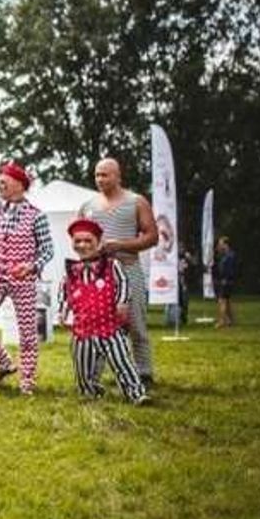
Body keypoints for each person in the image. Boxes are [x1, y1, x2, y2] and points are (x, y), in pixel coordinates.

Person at [0, 162, 54, 394]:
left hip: (23, 280)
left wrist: (31, 266)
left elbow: (47, 251)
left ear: (20, 185)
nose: (0, 183)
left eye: (5, 179)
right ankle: (5, 362)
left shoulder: (36, 216)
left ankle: (27, 382)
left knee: (27, 333)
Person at [79, 157, 159, 387]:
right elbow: (79, 238)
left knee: (136, 323)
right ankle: (95, 375)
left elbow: (152, 236)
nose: (100, 179)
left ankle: (144, 372)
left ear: (118, 176)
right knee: (100, 324)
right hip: (99, 274)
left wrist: (121, 244)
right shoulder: (88, 206)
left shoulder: (136, 201)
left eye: (105, 174)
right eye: (97, 175)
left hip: (129, 267)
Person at [58, 218, 149, 405]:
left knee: (122, 362)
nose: (83, 245)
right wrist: (62, 311)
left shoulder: (111, 265)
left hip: (110, 328)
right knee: (83, 368)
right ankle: (90, 391)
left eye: (88, 240)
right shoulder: (72, 270)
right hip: (82, 331)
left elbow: (123, 283)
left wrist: (122, 303)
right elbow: (64, 292)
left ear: (99, 243)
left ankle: (136, 393)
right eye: (78, 241)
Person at [212, 235, 237, 328]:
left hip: (226, 280)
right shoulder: (225, 255)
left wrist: (225, 279)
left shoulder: (230, 256)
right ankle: (231, 320)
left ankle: (222, 321)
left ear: (226, 245)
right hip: (226, 280)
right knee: (228, 300)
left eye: (221, 244)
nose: (219, 246)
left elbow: (230, 269)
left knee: (221, 300)